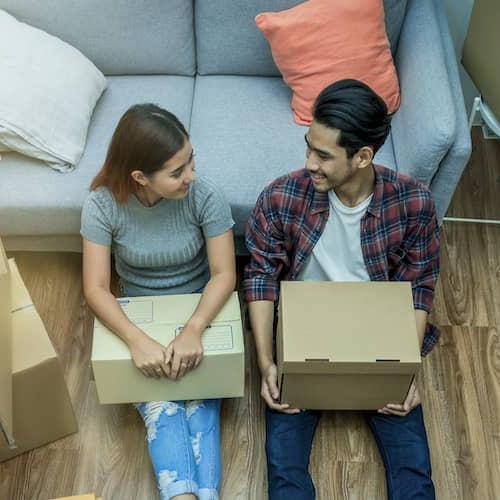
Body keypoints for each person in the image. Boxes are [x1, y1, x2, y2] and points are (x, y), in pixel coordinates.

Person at [243, 79, 440, 500]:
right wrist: (267, 365)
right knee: (285, 473)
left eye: (323, 155)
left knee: (414, 474)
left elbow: (419, 287)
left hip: (377, 334)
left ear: (363, 157)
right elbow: (260, 279)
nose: (309, 162)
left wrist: (403, 369)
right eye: (308, 147)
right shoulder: (280, 198)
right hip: (302, 336)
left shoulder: (414, 203)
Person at [81, 103, 236, 500]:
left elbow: (224, 274)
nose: (192, 175)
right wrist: (137, 340)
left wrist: (193, 330)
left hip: (200, 308)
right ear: (140, 178)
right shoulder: (102, 204)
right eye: (177, 171)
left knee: (200, 405)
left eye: (191, 161)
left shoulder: (205, 195)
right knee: (161, 409)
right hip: (140, 316)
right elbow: (96, 288)